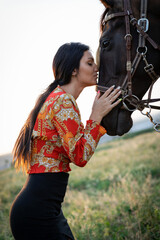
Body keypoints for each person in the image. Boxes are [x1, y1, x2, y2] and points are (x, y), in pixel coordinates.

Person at [10, 42, 121, 240]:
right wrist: (95, 116)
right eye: (90, 63)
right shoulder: (62, 101)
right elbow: (80, 156)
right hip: (38, 214)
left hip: (40, 209)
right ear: (73, 70)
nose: (97, 67)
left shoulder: (58, 98)